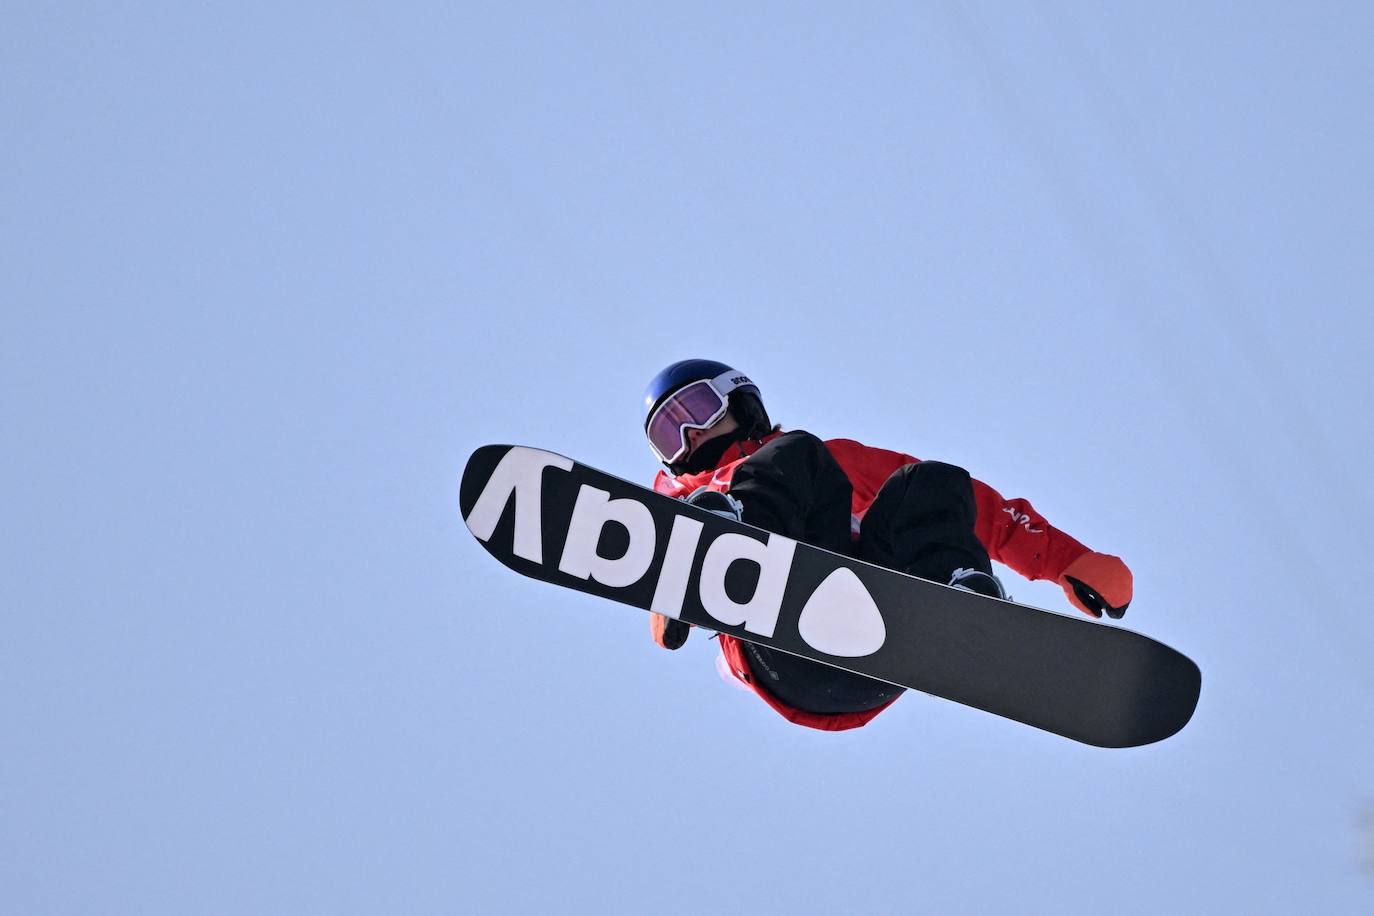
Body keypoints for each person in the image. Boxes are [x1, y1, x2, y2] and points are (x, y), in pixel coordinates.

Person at [642, 358, 1133, 732]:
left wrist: (1069, 559)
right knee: (789, 460)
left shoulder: (822, 462)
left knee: (929, 479)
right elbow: (651, 568)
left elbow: (976, 508)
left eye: (697, 411)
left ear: (742, 404)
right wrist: (677, 585)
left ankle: (956, 601)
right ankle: (737, 542)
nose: (690, 436)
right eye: (669, 435)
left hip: (877, 654)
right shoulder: (681, 501)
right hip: (780, 648)